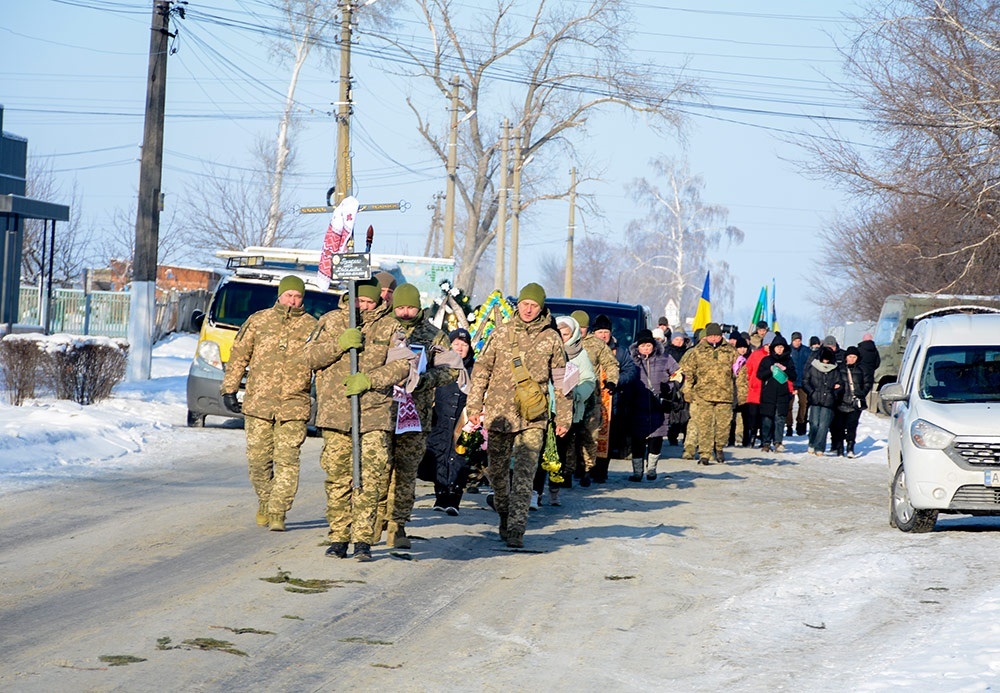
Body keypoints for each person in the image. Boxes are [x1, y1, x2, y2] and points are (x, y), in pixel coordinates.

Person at [306, 278, 411, 561]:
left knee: (371, 479)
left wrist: (370, 379)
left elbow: (404, 365)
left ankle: (363, 539)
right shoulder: (329, 322)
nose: (364, 307)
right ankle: (339, 536)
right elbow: (310, 357)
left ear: (379, 301)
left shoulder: (390, 327)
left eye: (370, 302)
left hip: (374, 413)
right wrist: (338, 345)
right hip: (337, 413)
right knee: (338, 478)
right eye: (360, 301)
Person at [466, 283, 571, 549]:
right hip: (500, 414)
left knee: (525, 474)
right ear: (519, 304)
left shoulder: (551, 338)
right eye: (525, 304)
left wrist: (564, 417)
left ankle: (517, 528)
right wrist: (474, 406)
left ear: (541, 307)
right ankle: (504, 512)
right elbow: (481, 370)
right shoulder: (501, 333)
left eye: (534, 305)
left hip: (533, 416)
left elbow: (562, 380)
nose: (528, 309)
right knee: (499, 475)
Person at [221, 275, 317, 532]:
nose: (293, 301)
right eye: (289, 295)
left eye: (298, 296)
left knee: (288, 460)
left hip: (294, 404)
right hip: (259, 403)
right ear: (280, 295)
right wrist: (230, 389)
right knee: (258, 460)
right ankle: (265, 499)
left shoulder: (312, 326)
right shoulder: (259, 320)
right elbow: (239, 355)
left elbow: (322, 361)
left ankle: (278, 511)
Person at [378, 283, 458, 550]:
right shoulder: (381, 330)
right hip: (381, 413)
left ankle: (397, 524)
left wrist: (424, 380)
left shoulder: (434, 336)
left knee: (406, 471)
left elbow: (451, 370)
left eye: (410, 307)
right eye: (400, 307)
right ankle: (375, 520)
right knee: (378, 469)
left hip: (415, 416)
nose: (405, 312)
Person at [424, 328, 479, 515]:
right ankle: (440, 496)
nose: (460, 348)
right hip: (440, 419)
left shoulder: (474, 369)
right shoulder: (440, 366)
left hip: (463, 422)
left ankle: (454, 499)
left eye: (464, 345)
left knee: (459, 459)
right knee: (439, 455)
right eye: (456, 344)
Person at [547, 315, 596, 503]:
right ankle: (536, 491)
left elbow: (588, 381)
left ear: (573, 334)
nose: (562, 336)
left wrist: (576, 394)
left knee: (559, 451)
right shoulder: (549, 349)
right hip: (545, 408)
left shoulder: (580, 354)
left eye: (566, 333)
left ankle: (554, 489)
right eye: (559, 333)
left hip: (568, 410)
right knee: (539, 447)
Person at [570, 310, 619, 486]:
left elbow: (611, 363)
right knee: (569, 436)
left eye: (583, 327)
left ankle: (587, 469)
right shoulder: (562, 341)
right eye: (577, 326)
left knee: (590, 434)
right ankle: (567, 471)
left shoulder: (596, 344)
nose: (580, 330)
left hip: (591, 397)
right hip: (567, 397)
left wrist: (612, 380)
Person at [625, 329, 679, 481]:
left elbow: (679, 374)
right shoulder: (632, 361)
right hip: (637, 406)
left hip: (659, 407)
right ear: (637, 347)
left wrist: (669, 386)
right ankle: (637, 472)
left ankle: (652, 470)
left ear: (654, 345)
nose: (646, 348)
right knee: (637, 440)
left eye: (648, 345)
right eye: (642, 346)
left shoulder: (665, 358)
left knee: (656, 439)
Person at [589, 313, 636, 482]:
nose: (603, 335)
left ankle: (601, 472)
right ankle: (585, 470)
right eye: (600, 331)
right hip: (588, 400)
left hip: (611, 402)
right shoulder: (586, 348)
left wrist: (615, 381)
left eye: (606, 331)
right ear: (593, 333)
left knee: (606, 439)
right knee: (587, 435)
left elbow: (631, 372)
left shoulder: (620, 352)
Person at [682, 322, 737, 465]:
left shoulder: (731, 351)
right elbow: (688, 373)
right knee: (704, 425)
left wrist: (742, 393)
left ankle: (719, 447)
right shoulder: (697, 351)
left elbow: (740, 373)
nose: (714, 339)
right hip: (703, 395)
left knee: (723, 426)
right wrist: (687, 390)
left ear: (721, 336)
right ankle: (705, 454)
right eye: (711, 336)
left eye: (716, 336)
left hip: (725, 395)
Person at [756, 334, 796, 453]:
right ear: (773, 348)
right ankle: (766, 443)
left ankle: (778, 442)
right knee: (767, 420)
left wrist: (785, 370)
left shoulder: (788, 361)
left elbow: (794, 376)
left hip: (782, 394)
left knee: (780, 419)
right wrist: (770, 370)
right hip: (768, 394)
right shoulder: (766, 360)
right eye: (777, 347)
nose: (779, 349)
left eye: (782, 347)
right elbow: (759, 375)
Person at [830, 346, 870, 458]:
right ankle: (839, 448)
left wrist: (860, 393)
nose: (852, 359)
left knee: (852, 426)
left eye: (854, 357)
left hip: (855, 403)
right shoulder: (839, 369)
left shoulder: (862, 370)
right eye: (850, 357)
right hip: (840, 402)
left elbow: (867, 383)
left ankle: (850, 447)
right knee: (839, 427)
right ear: (845, 357)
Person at [803, 346, 842, 456]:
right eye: (824, 358)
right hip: (815, 399)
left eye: (828, 359)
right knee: (814, 424)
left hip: (828, 400)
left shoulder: (834, 369)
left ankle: (819, 448)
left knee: (823, 426)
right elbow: (806, 381)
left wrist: (835, 392)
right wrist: (811, 392)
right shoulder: (814, 367)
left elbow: (840, 384)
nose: (826, 361)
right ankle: (812, 442)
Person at [788, 331, 811, 436]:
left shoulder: (806, 351)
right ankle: (788, 425)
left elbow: (810, 365)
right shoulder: (788, 351)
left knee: (803, 403)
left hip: (803, 382)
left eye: (799, 340)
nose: (797, 342)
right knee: (789, 405)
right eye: (795, 340)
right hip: (791, 382)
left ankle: (800, 423)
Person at [856, 332, 881, 408]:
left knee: (859, 391)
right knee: (867, 390)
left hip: (860, 373)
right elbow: (877, 362)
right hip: (870, 373)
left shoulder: (859, 350)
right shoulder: (875, 351)